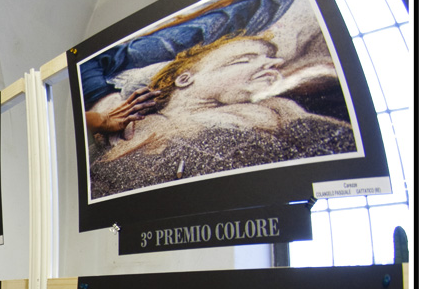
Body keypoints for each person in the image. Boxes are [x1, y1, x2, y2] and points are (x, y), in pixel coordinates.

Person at [89, 33, 356, 197]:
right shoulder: (129, 128)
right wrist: (101, 120)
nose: (272, 64)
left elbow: (344, 155)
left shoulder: (272, 112)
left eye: (269, 60)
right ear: (184, 79)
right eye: (244, 59)